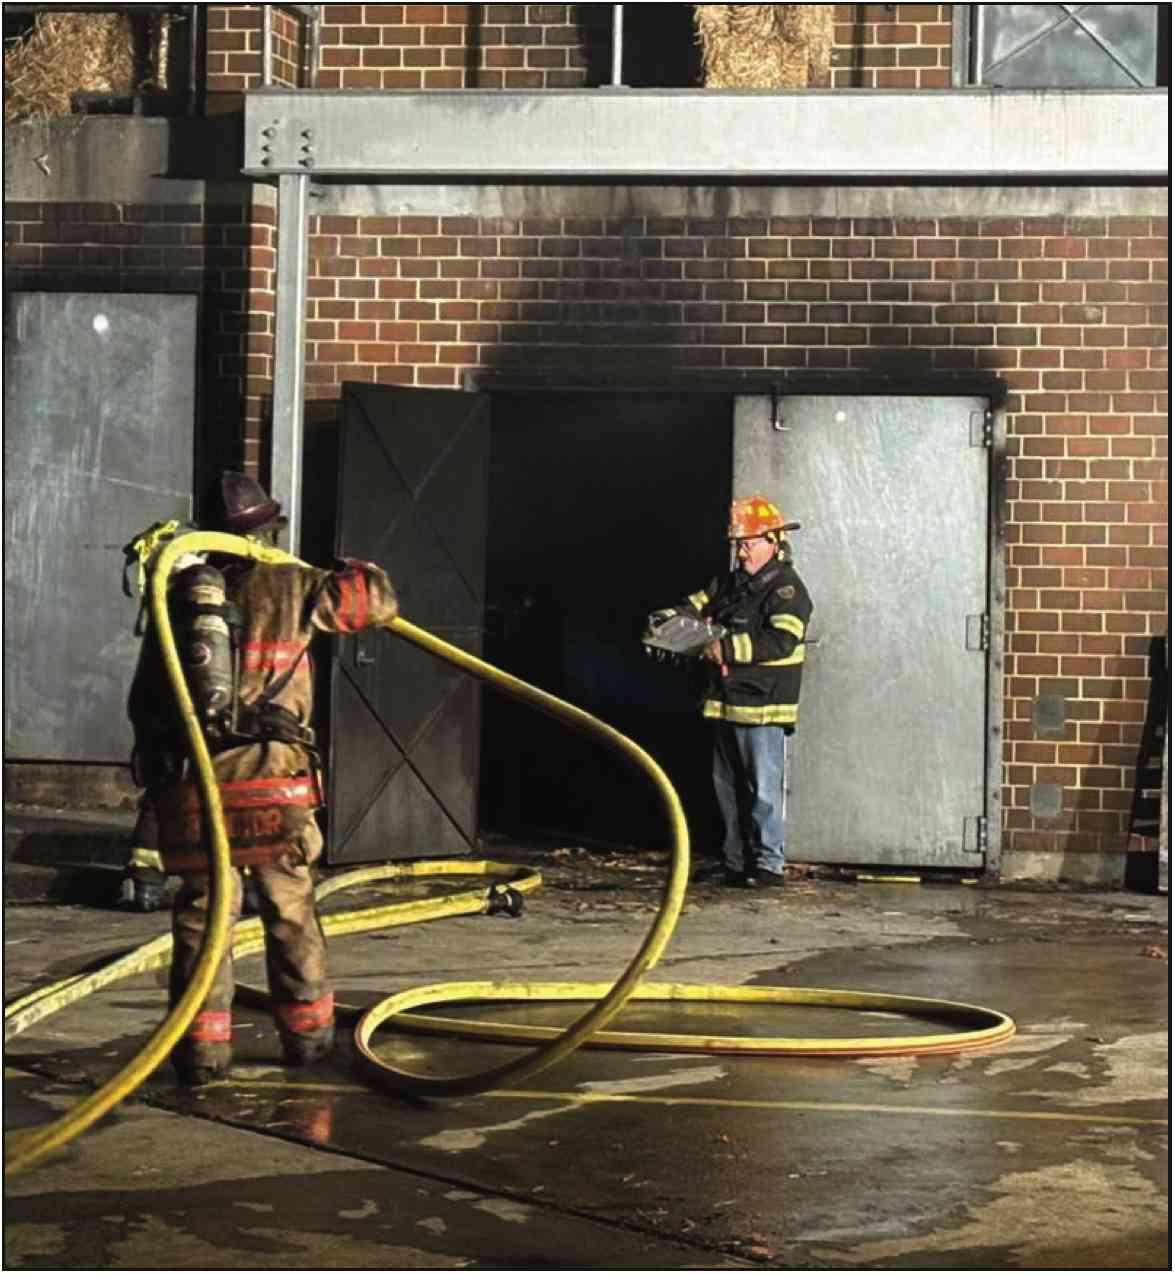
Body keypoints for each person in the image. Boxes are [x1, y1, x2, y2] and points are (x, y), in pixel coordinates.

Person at [127, 472, 399, 1085]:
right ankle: (307, 1043)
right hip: (273, 779)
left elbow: (145, 697)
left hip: (196, 780)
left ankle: (201, 1054)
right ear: (269, 530)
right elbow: (377, 602)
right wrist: (352, 567)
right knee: (290, 909)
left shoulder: (175, 596)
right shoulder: (295, 584)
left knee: (203, 916)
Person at [655, 494, 812, 889]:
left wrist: (725, 648)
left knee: (762, 791)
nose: (741, 553)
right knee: (725, 789)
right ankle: (734, 862)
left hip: (761, 706)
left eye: (748, 544)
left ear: (773, 542)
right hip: (725, 702)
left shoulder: (787, 590)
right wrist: (668, 621)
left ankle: (768, 865)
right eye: (738, 545)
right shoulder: (730, 584)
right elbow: (695, 605)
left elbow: (781, 641)